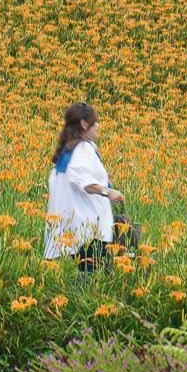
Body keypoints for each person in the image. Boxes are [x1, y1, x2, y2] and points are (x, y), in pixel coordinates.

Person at [44, 101, 124, 272]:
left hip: (71, 231)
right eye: (94, 122)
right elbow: (83, 180)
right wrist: (108, 192)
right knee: (91, 278)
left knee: (82, 276)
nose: (97, 126)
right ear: (84, 124)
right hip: (90, 230)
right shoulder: (83, 149)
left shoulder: (66, 151)